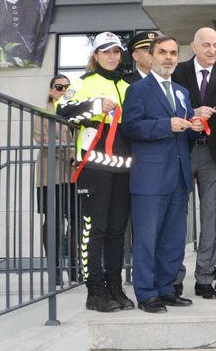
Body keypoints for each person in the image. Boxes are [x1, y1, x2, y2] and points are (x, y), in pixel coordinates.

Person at [121, 36, 201, 313]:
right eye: (163, 52)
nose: (168, 57)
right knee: (147, 239)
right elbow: (130, 127)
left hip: (178, 176)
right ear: (151, 56)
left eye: (173, 53)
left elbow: (185, 129)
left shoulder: (181, 91)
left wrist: (194, 126)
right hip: (150, 178)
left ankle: (167, 289)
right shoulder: (138, 89)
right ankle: (147, 294)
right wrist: (166, 125)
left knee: (173, 239)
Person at [57, 32, 134, 312]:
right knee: (94, 230)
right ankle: (94, 291)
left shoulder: (127, 85)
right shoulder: (83, 82)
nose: (111, 56)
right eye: (106, 51)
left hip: (124, 167)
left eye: (115, 51)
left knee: (117, 231)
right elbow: (62, 110)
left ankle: (115, 286)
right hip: (93, 166)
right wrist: (95, 106)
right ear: (96, 55)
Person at [172, 27, 216, 299]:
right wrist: (192, 113)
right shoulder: (178, 71)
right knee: (177, 216)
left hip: (215, 154)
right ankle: (173, 278)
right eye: (206, 45)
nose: (212, 50)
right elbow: (171, 106)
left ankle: (204, 278)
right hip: (184, 150)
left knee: (210, 217)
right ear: (194, 47)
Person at [33, 74, 77, 286]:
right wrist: (71, 154)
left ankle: (76, 268)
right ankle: (55, 269)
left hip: (75, 175)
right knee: (54, 221)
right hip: (51, 174)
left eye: (67, 88)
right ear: (51, 91)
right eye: (59, 87)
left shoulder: (77, 112)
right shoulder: (43, 113)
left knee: (77, 221)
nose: (63, 90)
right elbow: (43, 139)